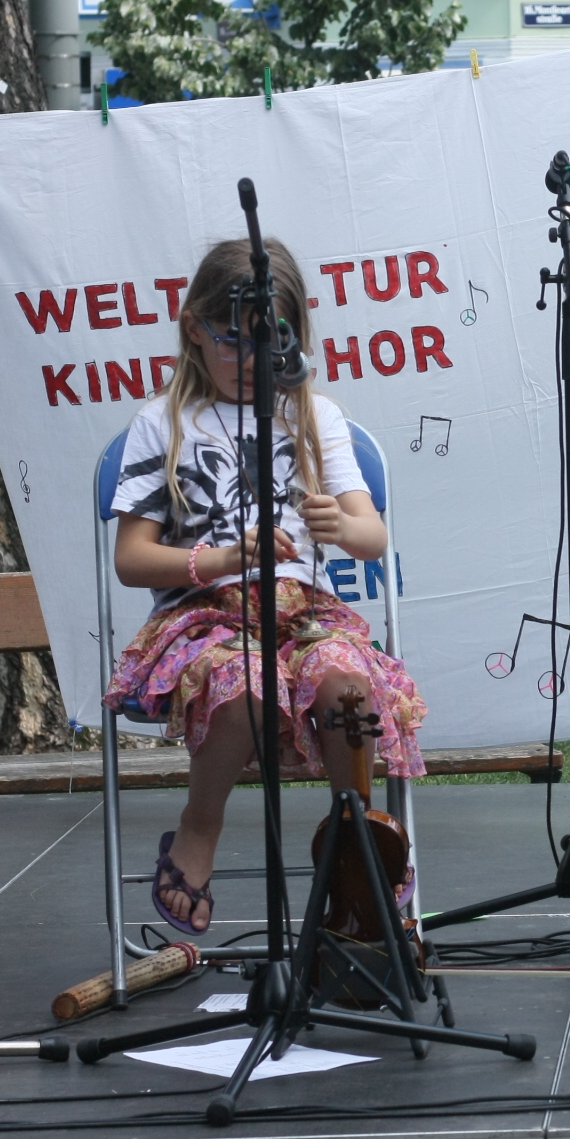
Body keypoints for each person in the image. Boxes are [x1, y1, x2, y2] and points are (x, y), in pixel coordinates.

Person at [105, 237, 427, 935]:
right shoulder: (160, 423)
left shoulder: (315, 415)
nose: (253, 364)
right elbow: (131, 559)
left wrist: (339, 523)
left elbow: (373, 538)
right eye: (233, 343)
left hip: (304, 613)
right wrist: (219, 561)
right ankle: (200, 827)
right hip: (206, 616)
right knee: (243, 680)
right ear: (193, 328)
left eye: (270, 345)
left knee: (346, 686)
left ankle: (355, 849)